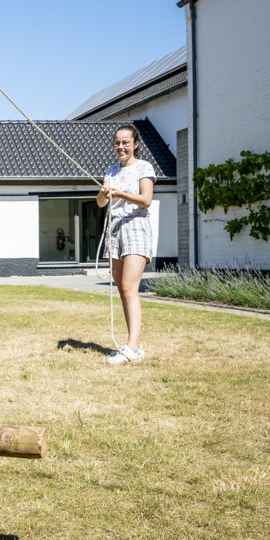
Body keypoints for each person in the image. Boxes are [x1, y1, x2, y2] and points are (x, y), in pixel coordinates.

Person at [97, 125, 156, 365]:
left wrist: (120, 194)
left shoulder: (144, 167)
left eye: (125, 142)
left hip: (136, 225)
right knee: (122, 288)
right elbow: (101, 203)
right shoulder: (111, 170)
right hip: (115, 229)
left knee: (130, 287)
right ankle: (134, 345)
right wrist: (104, 193)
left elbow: (146, 199)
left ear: (135, 144)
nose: (121, 147)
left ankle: (132, 348)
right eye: (117, 143)